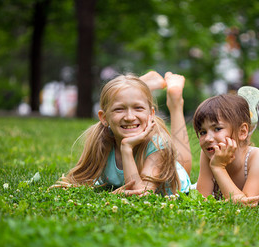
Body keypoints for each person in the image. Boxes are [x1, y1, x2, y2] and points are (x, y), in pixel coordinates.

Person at [54, 71, 191, 195]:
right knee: (128, 95)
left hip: (175, 174)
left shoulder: (158, 144)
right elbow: (80, 180)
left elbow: (142, 195)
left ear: (151, 114)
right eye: (119, 109)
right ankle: (137, 87)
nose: (129, 117)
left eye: (138, 108)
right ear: (104, 118)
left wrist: (126, 148)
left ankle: (175, 101)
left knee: (182, 162)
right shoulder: (100, 140)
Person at [192, 86, 259, 207]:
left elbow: (247, 205)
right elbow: (201, 200)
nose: (208, 139)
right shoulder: (209, 153)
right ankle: (247, 117)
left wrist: (218, 168)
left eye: (217, 129)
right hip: (241, 139)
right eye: (203, 132)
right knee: (239, 141)